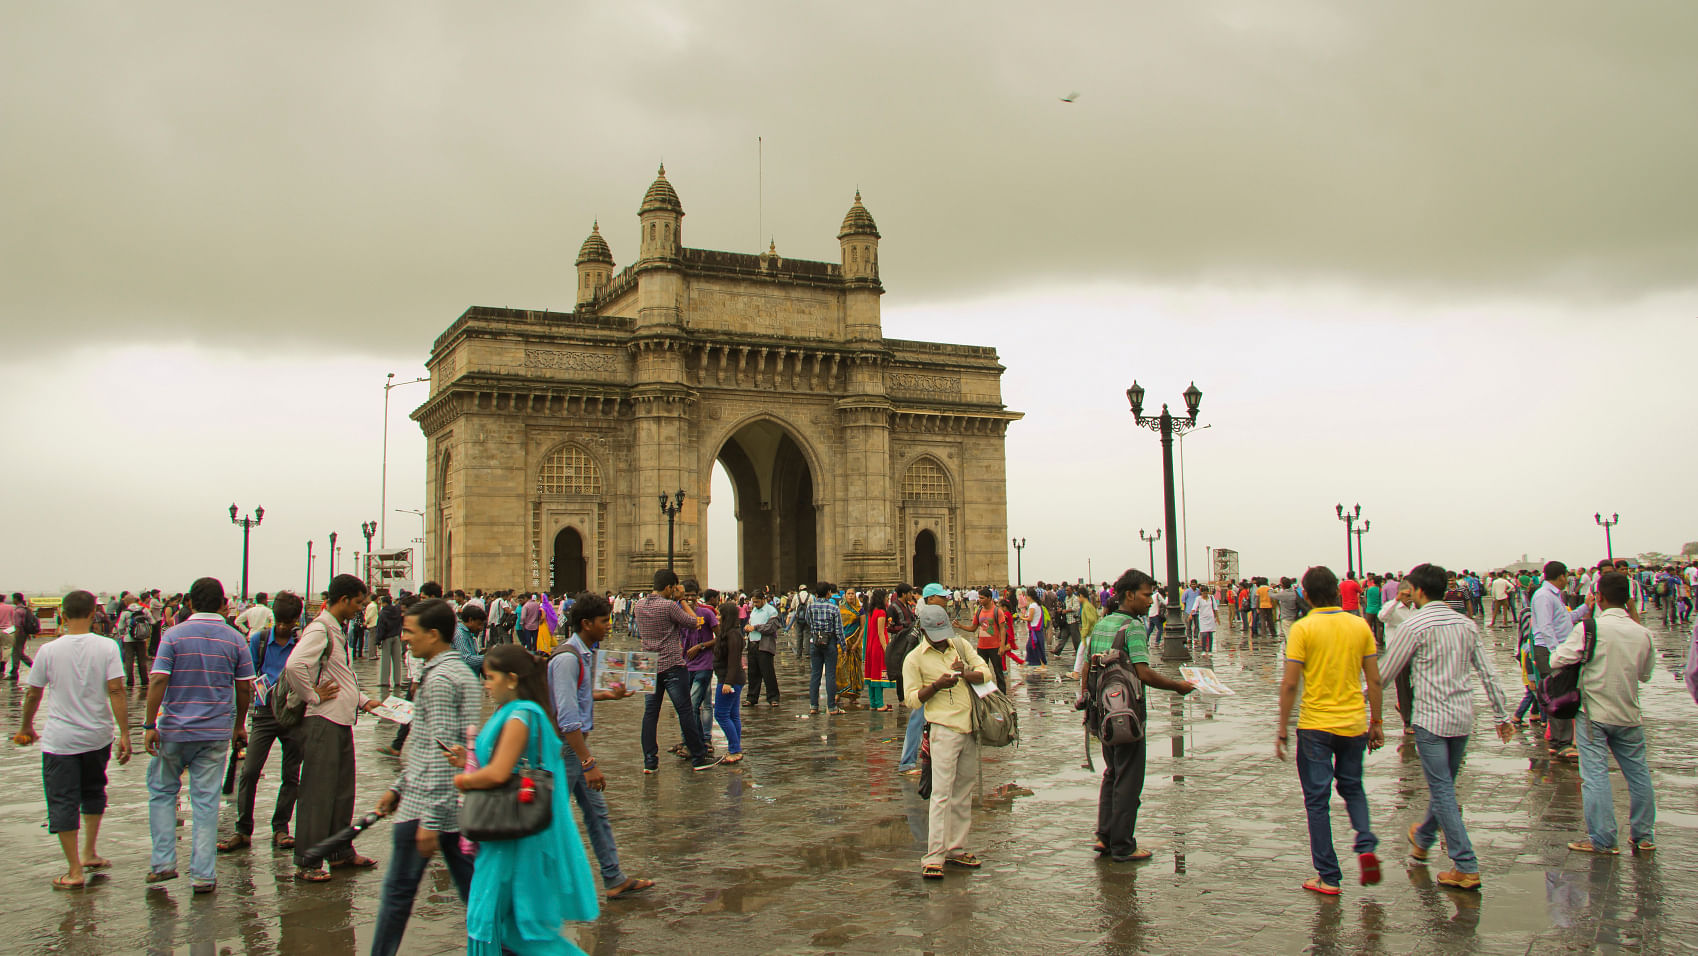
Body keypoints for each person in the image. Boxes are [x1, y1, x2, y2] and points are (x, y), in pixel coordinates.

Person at [451, 644, 600, 955]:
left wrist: (463, 780)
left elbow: (498, 773)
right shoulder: (513, 713)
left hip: (513, 837)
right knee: (511, 923)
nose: (486, 684)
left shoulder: (521, 715)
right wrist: (467, 758)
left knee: (509, 923)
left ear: (512, 679)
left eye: (490, 677)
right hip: (508, 831)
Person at [1378, 563, 1515, 891]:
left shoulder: (1415, 625)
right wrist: (1501, 715)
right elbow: (1487, 672)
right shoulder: (1466, 625)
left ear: (1421, 591)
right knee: (1444, 786)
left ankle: (1465, 864)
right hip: (1462, 718)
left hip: (1429, 720)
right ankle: (1423, 836)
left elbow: (1386, 673)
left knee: (1443, 790)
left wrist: (1359, 705)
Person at [369, 597, 484, 956]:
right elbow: (427, 742)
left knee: (397, 896)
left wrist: (430, 819)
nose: (404, 638)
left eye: (409, 631)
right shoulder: (454, 672)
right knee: (475, 897)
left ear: (433, 635)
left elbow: (443, 753)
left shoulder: (439, 680)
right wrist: (396, 786)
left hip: (428, 808)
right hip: (443, 806)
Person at [1275, 567, 1384, 896]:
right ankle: (1365, 843)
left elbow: (1291, 682)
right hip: (1353, 723)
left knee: (1317, 801)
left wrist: (1282, 728)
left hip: (1315, 725)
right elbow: (1374, 680)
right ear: (1338, 592)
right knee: (1353, 789)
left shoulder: (1302, 629)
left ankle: (1329, 875)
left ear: (1305, 595)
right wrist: (1376, 722)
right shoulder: (1359, 625)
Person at [143, 577, 255, 893]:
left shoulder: (173, 636)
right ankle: (203, 874)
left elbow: (158, 681)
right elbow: (244, 686)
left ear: (189, 602)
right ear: (223, 604)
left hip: (174, 730)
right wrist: (238, 725)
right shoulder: (235, 639)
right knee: (206, 801)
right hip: (216, 731)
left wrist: (150, 724)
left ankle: (163, 863)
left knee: (163, 792)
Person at [15, 589, 131, 890]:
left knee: (63, 800)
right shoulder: (107, 648)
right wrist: (125, 733)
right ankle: (89, 851)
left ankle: (74, 869)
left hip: (60, 740)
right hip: (98, 735)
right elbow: (117, 690)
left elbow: (33, 693)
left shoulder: (49, 651)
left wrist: (26, 726)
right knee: (94, 791)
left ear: (62, 616)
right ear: (94, 614)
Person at [1079, 569, 1195, 863]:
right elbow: (1143, 673)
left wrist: (1086, 702)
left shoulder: (1103, 624)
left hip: (1103, 712)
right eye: (1145, 595)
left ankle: (1104, 837)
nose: (1150, 601)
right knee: (1129, 780)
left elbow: (1085, 668)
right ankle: (1123, 845)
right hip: (1127, 715)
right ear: (1129, 595)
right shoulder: (1133, 628)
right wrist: (1177, 686)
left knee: (1112, 774)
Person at [547, 593, 654, 902]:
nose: (608, 626)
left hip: (575, 752)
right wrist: (588, 762)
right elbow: (567, 718)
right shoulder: (568, 658)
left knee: (597, 815)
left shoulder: (583, 655)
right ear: (585, 623)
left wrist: (610, 696)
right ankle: (536, 887)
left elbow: (579, 698)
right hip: (568, 752)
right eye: (603, 621)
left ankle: (614, 877)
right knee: (552, 819)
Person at [284, 573, 383, 882]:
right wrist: (312, 695)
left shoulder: (335, 630)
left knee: (342, 792)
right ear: (343, 600)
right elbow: (294, 666)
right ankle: (309, 861)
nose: (359, 608)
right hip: (323, 721)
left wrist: (363, 700)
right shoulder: (320, 629)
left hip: (340, 719)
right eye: (357, 602)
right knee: (318, 793)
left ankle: (340, 852)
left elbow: (341, 675)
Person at [1555, 572, 1657, 855]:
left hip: (1593, 713)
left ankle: (1602, 838)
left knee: (1595, 776)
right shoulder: (1643, 633)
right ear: (1629, 598)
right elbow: (1645, 675)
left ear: (1597, 596)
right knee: (1638, 774)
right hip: (1629, 713)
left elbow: (1557, 659)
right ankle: (1643, 835)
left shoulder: (1590, 629)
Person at [903, 603, 991, 879]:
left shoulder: (960, 646)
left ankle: (955, 848)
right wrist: (937, 685)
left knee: (963, 792)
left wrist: (963, 672)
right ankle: (934, 856)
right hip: (942, 729)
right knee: (941, 794)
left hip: (969, 727)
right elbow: (911, 699)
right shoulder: (914, 659)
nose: (941, 639)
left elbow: (985, 674)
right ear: (924, 631)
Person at [219, 591, 305, 853]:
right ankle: (243, 829)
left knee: (291, 775)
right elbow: (244, 679)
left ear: (296, 621)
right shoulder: (258, 641)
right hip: (264, 712)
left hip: (293, 713)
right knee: (249, 771)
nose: (283, 627)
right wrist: (240, 722)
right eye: (279, 621)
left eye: (288, 623)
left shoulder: (301, 643)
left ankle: (281, 827)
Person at [636, 570, 720, 773]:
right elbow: (695, 623)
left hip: (647, 664)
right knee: (685, 712)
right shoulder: (668, 607)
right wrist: (681, 600)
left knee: (650, 714)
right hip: (672, 664)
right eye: (674, 588)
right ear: (668, 588)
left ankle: (650, 761)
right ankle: (699, 758)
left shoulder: (638, 606)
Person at [1531, 561, 1591, 760]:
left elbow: (1566, 619)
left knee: (1562, 692)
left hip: (1558, 649)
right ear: (1561, 576)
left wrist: (1585, 607)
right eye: (1566, 575)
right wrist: (1556, 652)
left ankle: (1560, 741)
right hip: (1548, 650)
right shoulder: (1543, 596)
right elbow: (1546, 627)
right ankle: (1561, 743)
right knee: (1558, 694)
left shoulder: (1555, 596)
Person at [678, 583, 719, 756]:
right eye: (686, 595)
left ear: (698, 595)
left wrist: (701, 646)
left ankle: (696, 744)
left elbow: (720, 636)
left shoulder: (707, 614)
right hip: (686, 666)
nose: (690, 598)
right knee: (688, 705)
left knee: (693, 705)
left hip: (704, 665)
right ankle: (695, 740)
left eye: (693, 595)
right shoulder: (678, 615)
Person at [712, 588, 747, 764]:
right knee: (733, 715)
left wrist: (728, 683)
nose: (717, 618)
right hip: (733, 679)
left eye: (720, 615)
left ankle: (734, 749)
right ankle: (735, 748)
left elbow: (734, 661)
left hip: (729, 680)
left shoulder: (733, 635)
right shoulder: (732, 633)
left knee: (721, 714)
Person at [805, 581, 846, 715]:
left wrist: (816, 630)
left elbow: (808, 621)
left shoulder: (810, 607)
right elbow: (839, 629)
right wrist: (843, 647)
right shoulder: (833, 608)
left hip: (815, 641)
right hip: (830, 642)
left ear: (816, 593)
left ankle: (813, 706)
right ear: (829, 592)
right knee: (830, 675)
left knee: (815, 675)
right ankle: (832, 707)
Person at [743, 591, 781, 707]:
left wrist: (755, 627)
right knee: (753, 673)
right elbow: (750, 623)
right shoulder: (754, 610)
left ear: (763, 599)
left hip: (764, 645)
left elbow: (771, 627)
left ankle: (773, 697)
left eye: (757, 602)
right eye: (753, 602)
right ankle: (752, 697)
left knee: (767, 672)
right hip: (753, 644)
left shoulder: (771, 611)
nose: (755, 604)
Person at [116, 593, 154, 687]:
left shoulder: (125, 612)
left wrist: (122, 635)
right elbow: (152, 621)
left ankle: (130, 682)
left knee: (129, 660)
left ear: (126, 602)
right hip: (141, 639)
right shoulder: (143, 609)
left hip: (128, 639)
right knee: (142, 660)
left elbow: (120, 626)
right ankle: (144, 681)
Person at [864, 589, 893, 711]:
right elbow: (881, 633)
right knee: (879, 675)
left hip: (870, 646)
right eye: (886, 597)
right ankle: (880, 703)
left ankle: (874, 703)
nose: (887, 600)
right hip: (878, 647)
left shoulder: (871, 612)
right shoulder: (881, 612)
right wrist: (886, 649)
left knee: (872, 674)